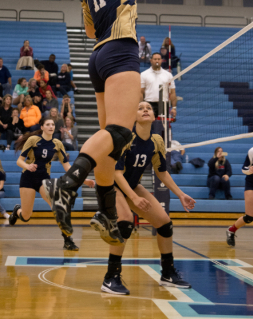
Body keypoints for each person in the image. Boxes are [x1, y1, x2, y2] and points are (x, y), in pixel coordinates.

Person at [43, 0, 161, 245]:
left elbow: (91, 29)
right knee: (121, 133)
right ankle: (67, 183)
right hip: (121, 51)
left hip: (97, 57)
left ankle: (107, 210)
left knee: (112, 139)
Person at [101, 101, 195, 294]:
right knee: (126, 222)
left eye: (148, 108)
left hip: (132, 185)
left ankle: (168, 273)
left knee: (164, 223)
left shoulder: (156, 141)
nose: (145, 109)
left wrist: (181, 194)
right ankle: (110, 278)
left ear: (154, 117)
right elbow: (117, 173)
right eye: (140, 107)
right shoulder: (126, 137)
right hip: (112, 185)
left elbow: (162, 172)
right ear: (133, 116)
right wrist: (134, 198)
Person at [8, 117, 94, 250]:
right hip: (28, 178)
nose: (51, 126)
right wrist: (28, 166)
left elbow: (67, 167)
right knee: (26, 216)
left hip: (44, 180)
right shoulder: (33, 140)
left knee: (57, 208)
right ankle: (16, 211)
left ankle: (68, 240)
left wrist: (83, 179)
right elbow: (19, 161)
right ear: (42, 127)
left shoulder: (58, 143)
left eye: (52, 124)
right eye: (47, 124)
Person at [141, 53, 177, 120]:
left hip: (163, 105)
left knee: (163, 128)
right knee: (149, 128)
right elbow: (140, 92)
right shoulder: (144, 74)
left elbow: (172, 92)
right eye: (155, 59)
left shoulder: (168, 75)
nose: (157, 61)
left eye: (158, 59)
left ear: (161, 60)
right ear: (151, 60)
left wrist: (174, 108)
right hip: (149, 104)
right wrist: (141, 107)